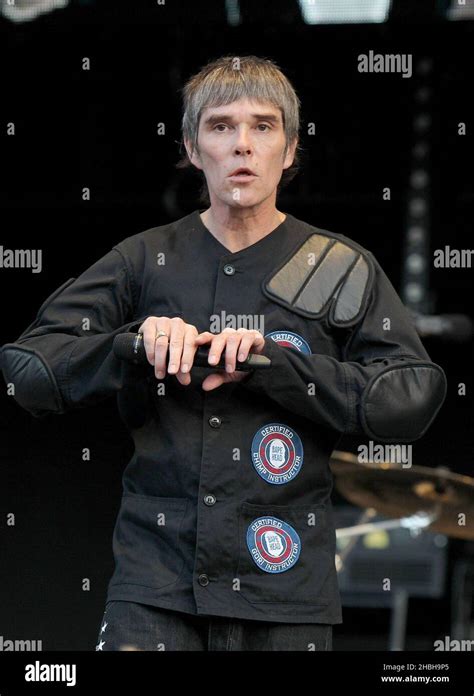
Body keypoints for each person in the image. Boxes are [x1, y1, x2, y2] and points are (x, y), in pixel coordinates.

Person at [0, 55, 447, 651]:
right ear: (190, 147)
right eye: (221, 126)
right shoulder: (143, 258)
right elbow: (29, 368)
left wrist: (274, 365)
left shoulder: (338, 266)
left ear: (289, 150)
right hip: (156, 586)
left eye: (263, 127)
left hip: (286, 587)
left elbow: (412, 394)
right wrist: (133, 345)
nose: (242, 145)